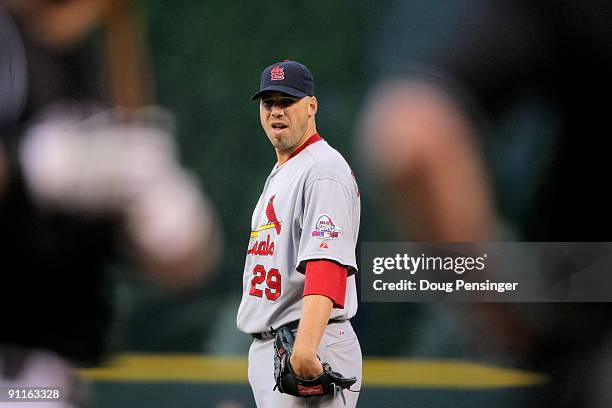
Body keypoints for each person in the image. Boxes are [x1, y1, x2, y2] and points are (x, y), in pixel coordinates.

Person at [0, 1, 217, 407]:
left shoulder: (91, 57)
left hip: (52, 378)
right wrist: (27, 166)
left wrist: (164, 224)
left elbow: (185, 266)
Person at [236, 60, 361, 407]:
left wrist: (305, 350)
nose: (276, 111)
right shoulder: (286, 169)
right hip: (276, 345)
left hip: (309, 341)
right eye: (268, 102)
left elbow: (328, 260)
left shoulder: (323, 169)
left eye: (286, 101)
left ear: (311, 106)